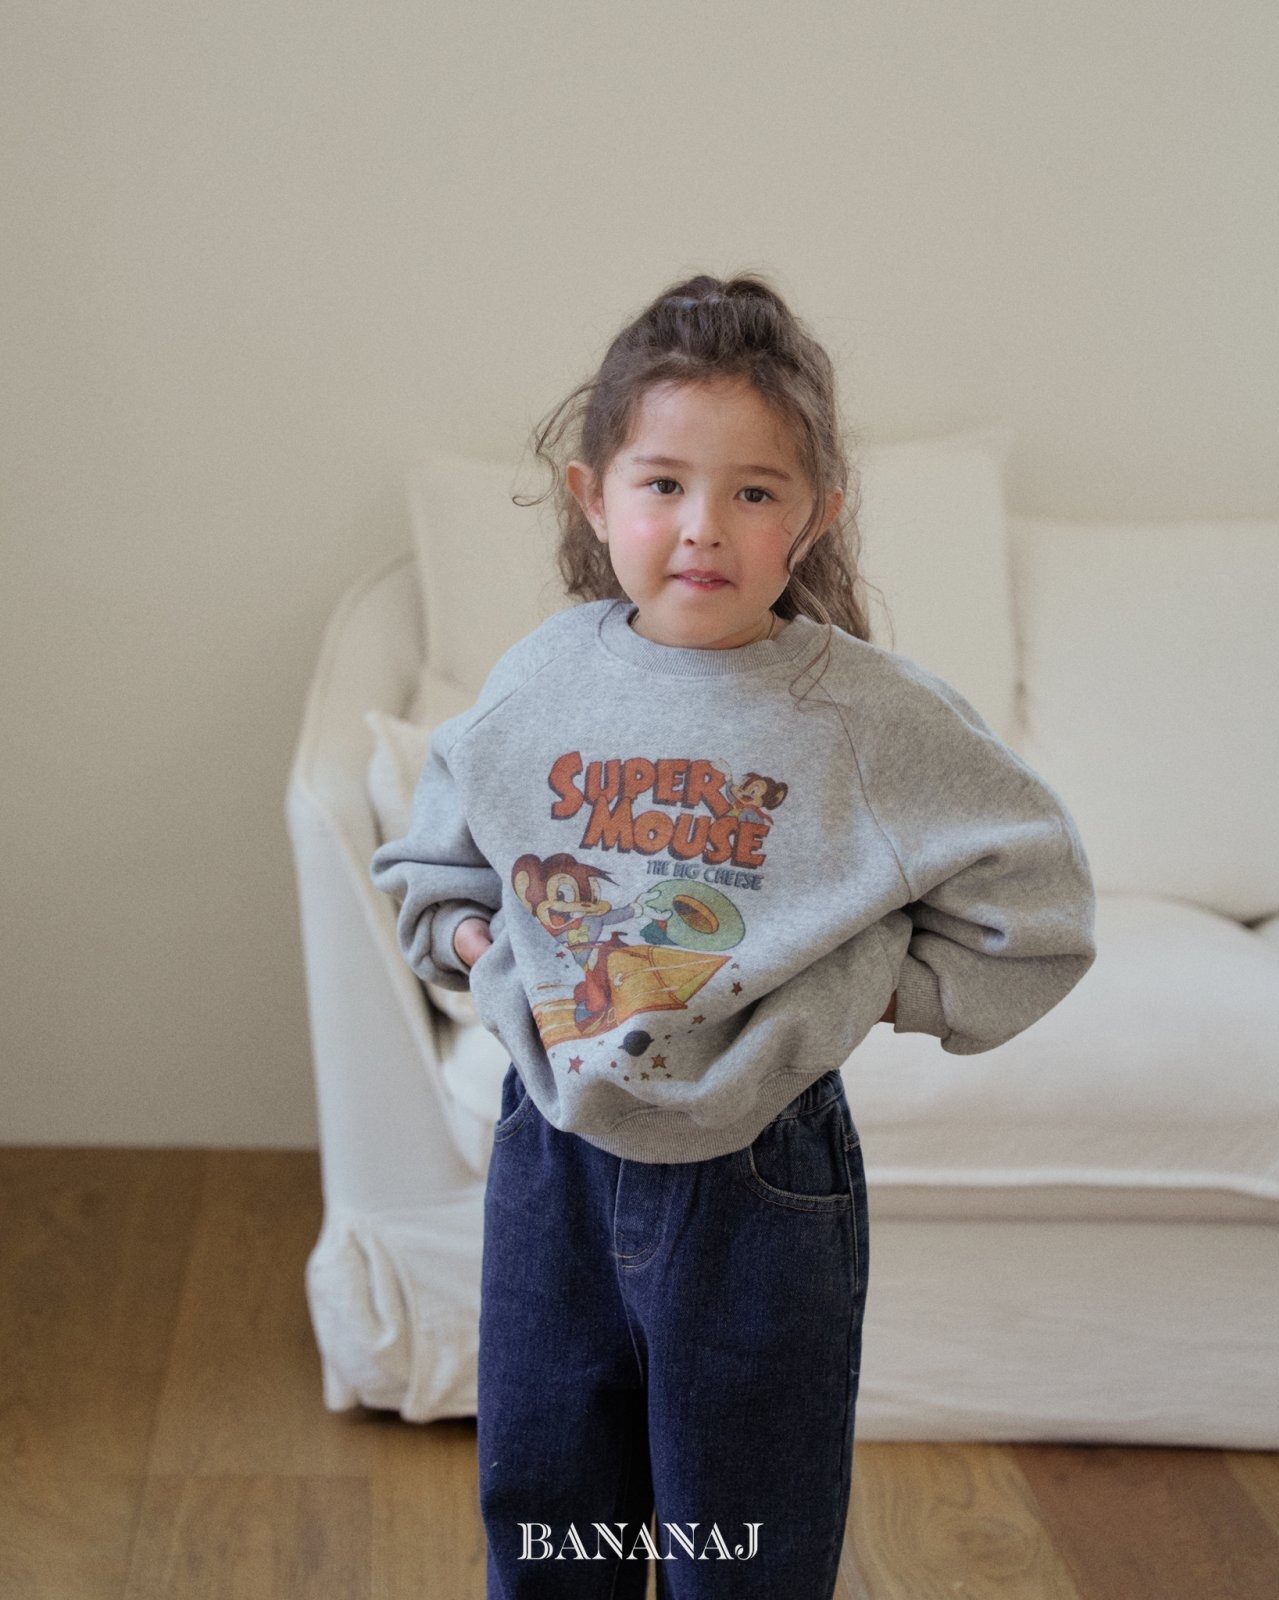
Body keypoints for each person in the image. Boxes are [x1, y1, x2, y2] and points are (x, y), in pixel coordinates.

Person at [369, 272, 1097, 1598]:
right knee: (550, 1517)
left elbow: (1035, 912)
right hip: (552, 1151)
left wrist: (863, 987)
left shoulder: (866, 715)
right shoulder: (541, 680)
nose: (704, 526)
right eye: (663, 484)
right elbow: (435, 873)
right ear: (594, 497)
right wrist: (489, 954)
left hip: (762, 1173)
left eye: (755, 491)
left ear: (814, 517)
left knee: (743, 1534)